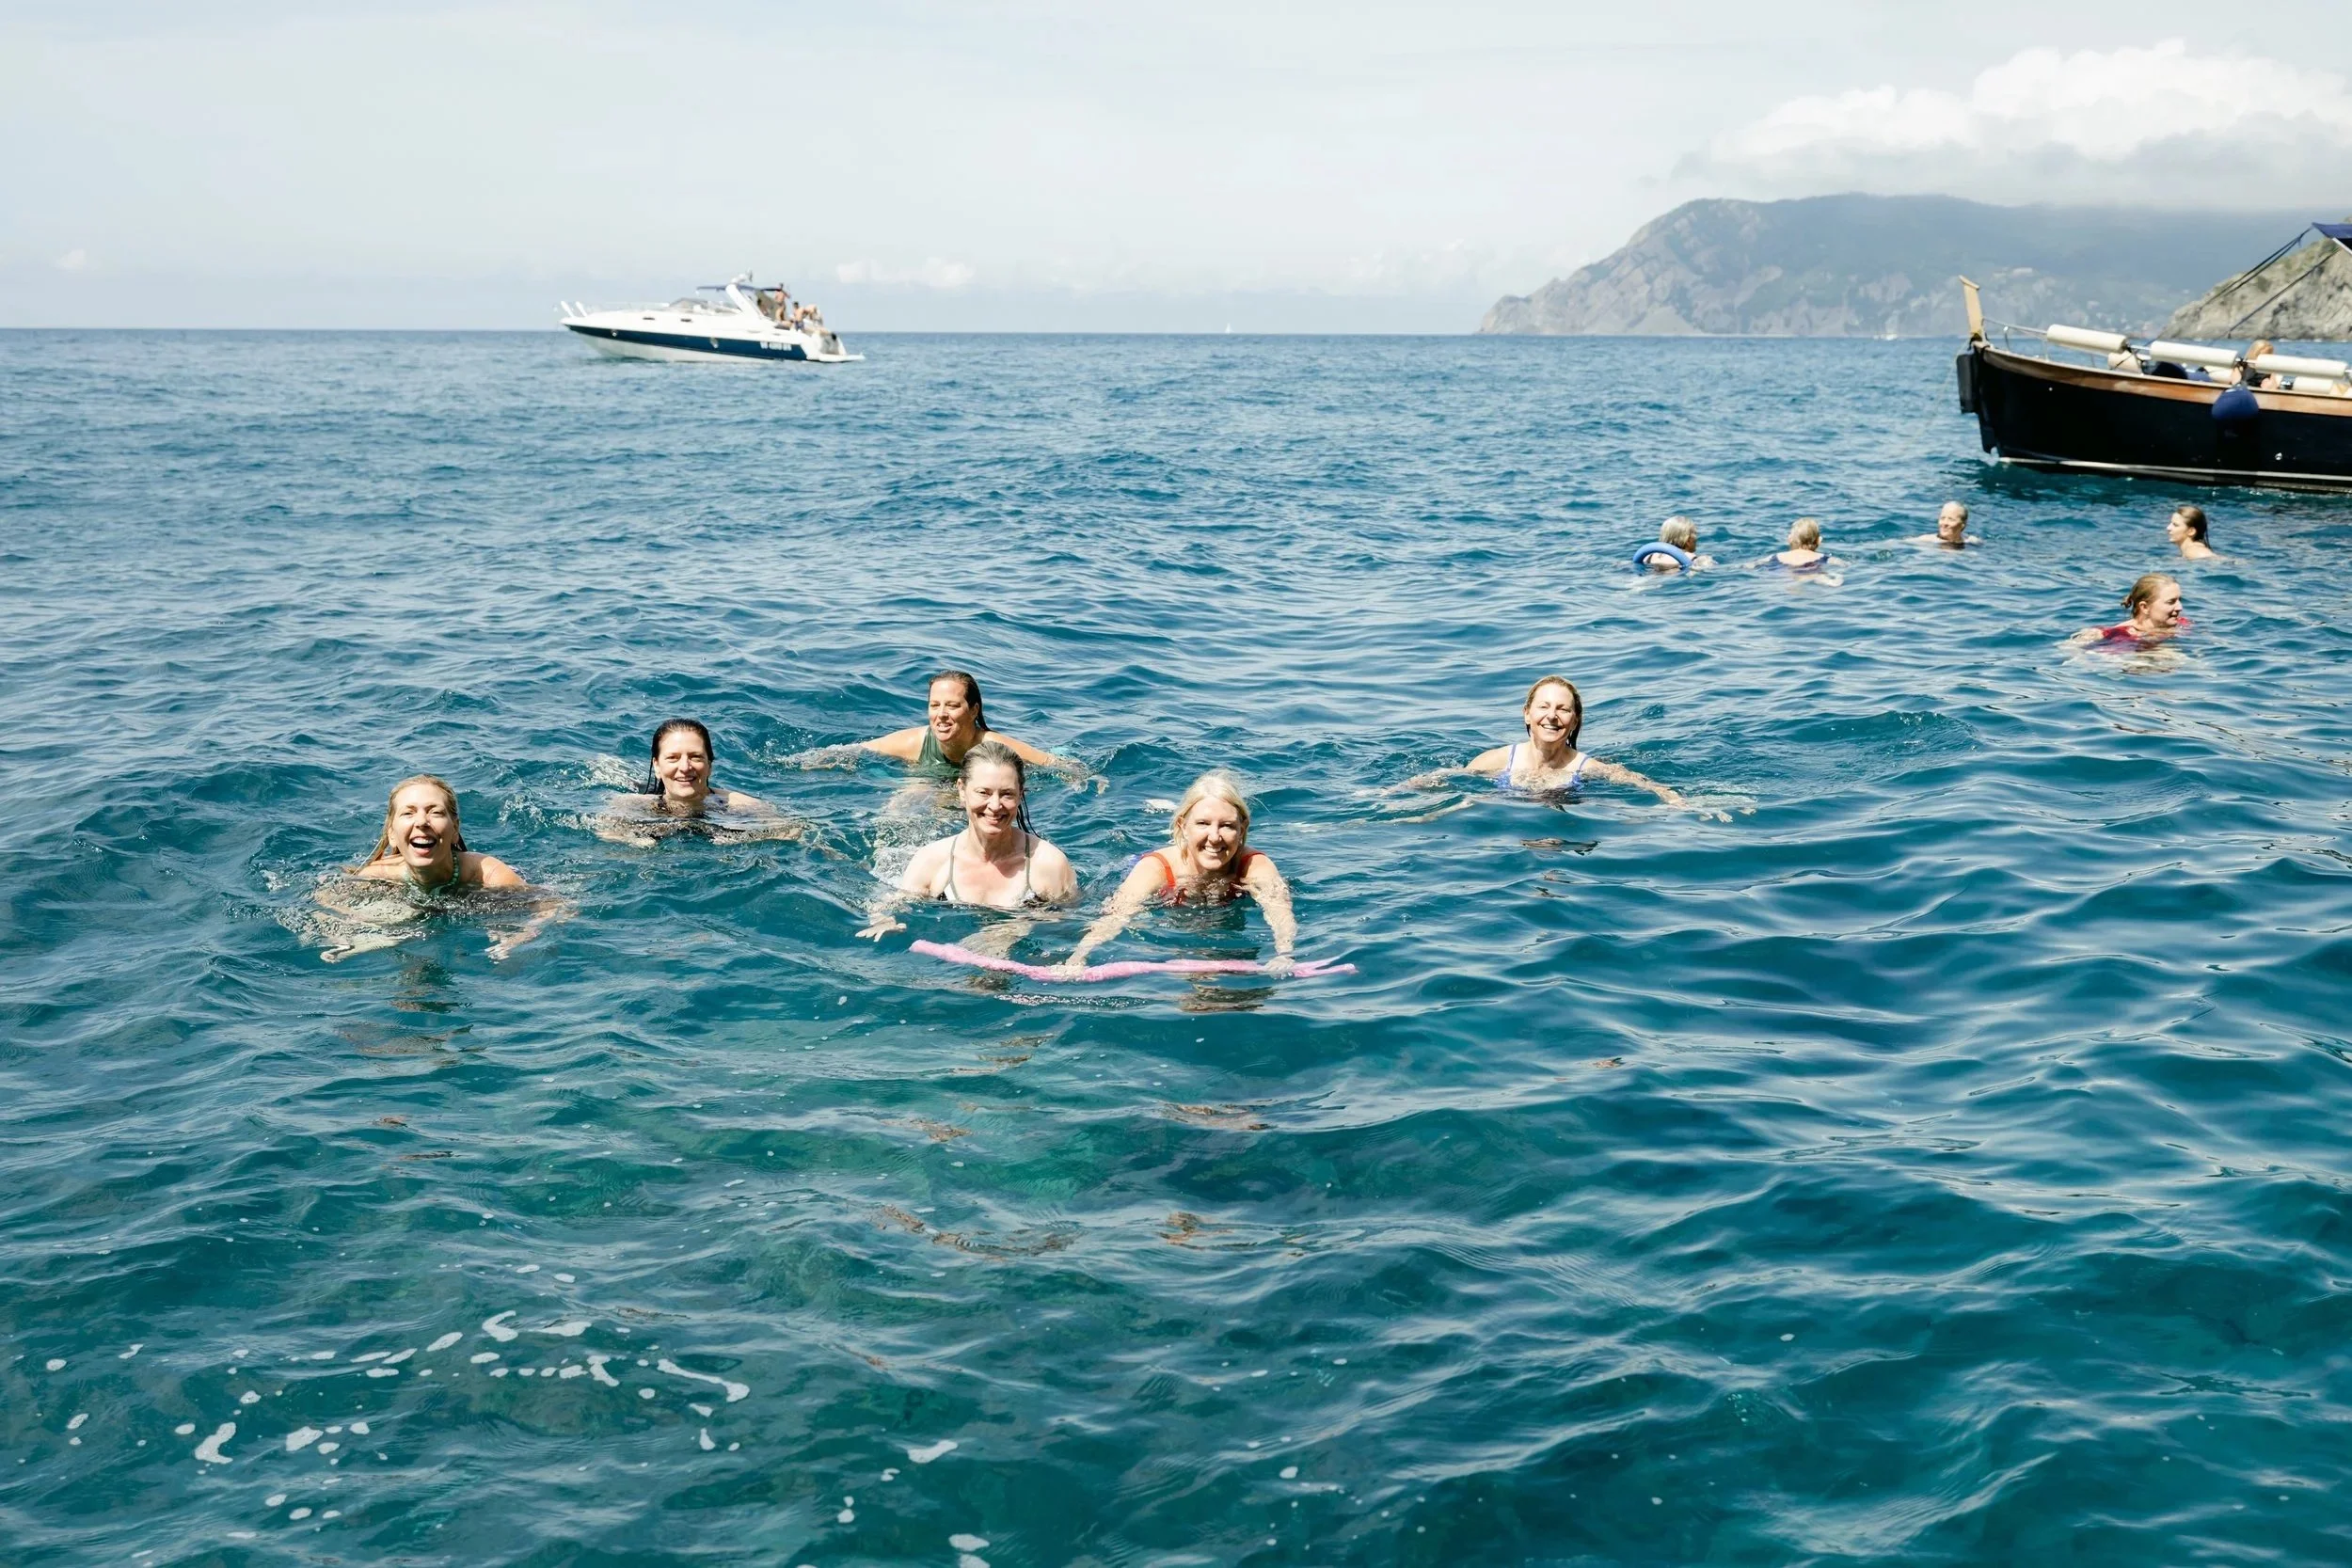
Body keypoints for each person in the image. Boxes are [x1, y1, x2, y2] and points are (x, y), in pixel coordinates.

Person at [1055, 770, 1297, 976]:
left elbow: (1280, 912)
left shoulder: (1254, 865)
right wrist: (1078, 958)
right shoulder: (1155, 868)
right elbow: (1114, 918)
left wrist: (1284, 954)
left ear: (1242, 829)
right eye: (1203, 823)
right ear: (1183, 826)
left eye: (1227, 826)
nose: (1215, 837)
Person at [317, 775, 564, 960]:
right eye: (408, 813)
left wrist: (522, 934)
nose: (421, 822)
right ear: (391, 834)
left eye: (435, 812)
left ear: (455, 829)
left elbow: (556, 905)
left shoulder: (487, 873)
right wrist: (342, 935)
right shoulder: (377, 876)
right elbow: (325, 900)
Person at [859, 741, 1077, 937]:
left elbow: (1072, 929)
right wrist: (883, 919)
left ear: (1021, 794)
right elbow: (890, 903)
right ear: (962, 790)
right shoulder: (930, 861)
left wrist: (1016, 929)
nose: (995, 806)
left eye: (1007, 794)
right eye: (983, 792)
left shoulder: (1049, 864)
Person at [1408, 675, 1714, 813]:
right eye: (1543, 707)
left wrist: (1679, 804)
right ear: (1527, 714)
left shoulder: (1588, 767)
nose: (1552, 716)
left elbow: (1644, 784)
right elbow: (1447, 778)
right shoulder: (1496, 760)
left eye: (1563, 709)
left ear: (1575, 720)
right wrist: (1399, 793)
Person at [598, 719, 800, 845]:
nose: (685, 767)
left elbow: (792, 831)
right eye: (673, 758)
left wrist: (744, 839)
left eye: (695, 757)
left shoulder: (742, 806)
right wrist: (637, 843)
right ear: (657, 766)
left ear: (710, 765)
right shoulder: (631, 805)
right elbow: (607, 833)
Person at [856, 670, 1081, 781]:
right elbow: (853, 751)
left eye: (952, 706)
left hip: (975, 788)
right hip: (928, 778)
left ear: (974, 710)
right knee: (903, 803)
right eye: (934, 705)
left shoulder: (992, 745)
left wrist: (1087, 780)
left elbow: (1054, 763)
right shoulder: (914, 742)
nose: (941, 715)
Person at [2070, 573, 2188, 648]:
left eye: (2179, 600)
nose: (2180, 607)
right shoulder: (2120, 635)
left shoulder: (2183, 623)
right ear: (2145, 607)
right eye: (2171, 602)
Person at [1642, 516, 1713, 572]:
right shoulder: (1692, 558)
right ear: (1688, 540)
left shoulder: (1649, 557)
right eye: (1695, 534)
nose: (1696, 538)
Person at [1772, 517, 1836, 572]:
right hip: (1813, 569)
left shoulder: (1774, 558)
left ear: (1789, 539)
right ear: (1819, 541)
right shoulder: (1826, 559)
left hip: (1781, 568)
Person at [1913, 501, 1977, 549]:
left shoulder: (1971, 541)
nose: (1945, 523)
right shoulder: (1926, 541)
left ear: (1963, 524)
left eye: (1951, 519)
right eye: (1942, 518)